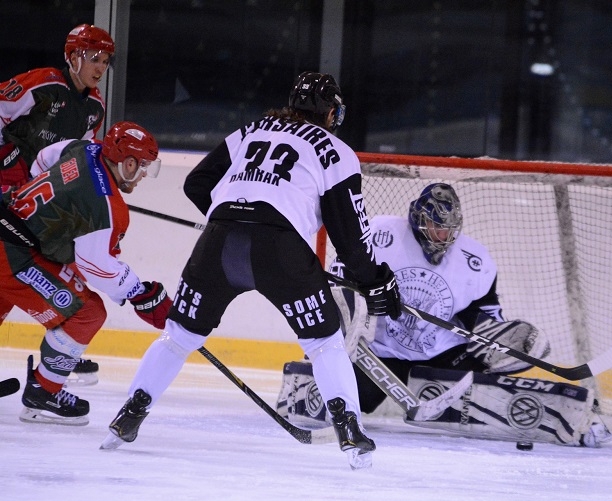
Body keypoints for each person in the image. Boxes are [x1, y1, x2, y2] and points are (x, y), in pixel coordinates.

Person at [102, 72, 402, 469]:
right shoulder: (335, 150)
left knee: (178, 337)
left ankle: (130, 414)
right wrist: (374, 280)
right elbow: (350, 234)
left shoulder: (254, 129)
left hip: (219, 242)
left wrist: (227, 218)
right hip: (280, 251)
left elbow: (198, 182)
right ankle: (349, 431)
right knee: (324, 343)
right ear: (332, 113)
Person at [278, 183, 612, 448]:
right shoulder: (380, 235)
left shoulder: (476, 261)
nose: (442, 237)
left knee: (493, 376)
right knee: (347, 399)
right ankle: (307, 386)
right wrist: (355, 312)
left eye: (448, 230)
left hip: (441, 356)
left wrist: (491, 338)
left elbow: (481, 313)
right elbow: (339, 278)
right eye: (435, 227)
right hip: (379, 355)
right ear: (418, 217)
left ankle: (581, 420)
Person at [0, 120, 171, 426]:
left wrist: (51, 207)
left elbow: (43, 160)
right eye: (143, 166)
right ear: (127, 163)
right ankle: (44, 391)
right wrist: (138, 292)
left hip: (8, 216)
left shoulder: (82, 148)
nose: (144, 174)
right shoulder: (108, 206)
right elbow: (95, 266)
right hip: (12, 253)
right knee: (88, 312)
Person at [0, 23, 116, 384]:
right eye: (93, 58)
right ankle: (61, 352)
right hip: (6, 194)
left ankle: (62, 347)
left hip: (36, 204)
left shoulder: (94, 107)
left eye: (106, 61)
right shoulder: (44, 83)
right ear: (73, 56)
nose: (100, 67)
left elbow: (79, 159)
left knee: (12, 277)